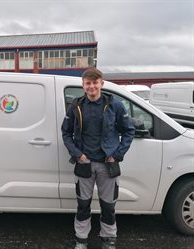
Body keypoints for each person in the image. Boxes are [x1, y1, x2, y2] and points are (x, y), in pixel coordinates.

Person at [61, 68, 135, 249]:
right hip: (84, 163)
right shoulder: (76, 106)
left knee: (108, 206)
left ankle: (108, 239)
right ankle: (81, 240)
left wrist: (117, 155)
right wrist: (78, 154)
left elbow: (129, 131)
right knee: (83, 205)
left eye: (95, 82)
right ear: (83, 85)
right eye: (88, 83)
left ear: (101, 83)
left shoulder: (114, 105)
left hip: (107, 165)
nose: (92, 86)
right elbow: (66, 133)